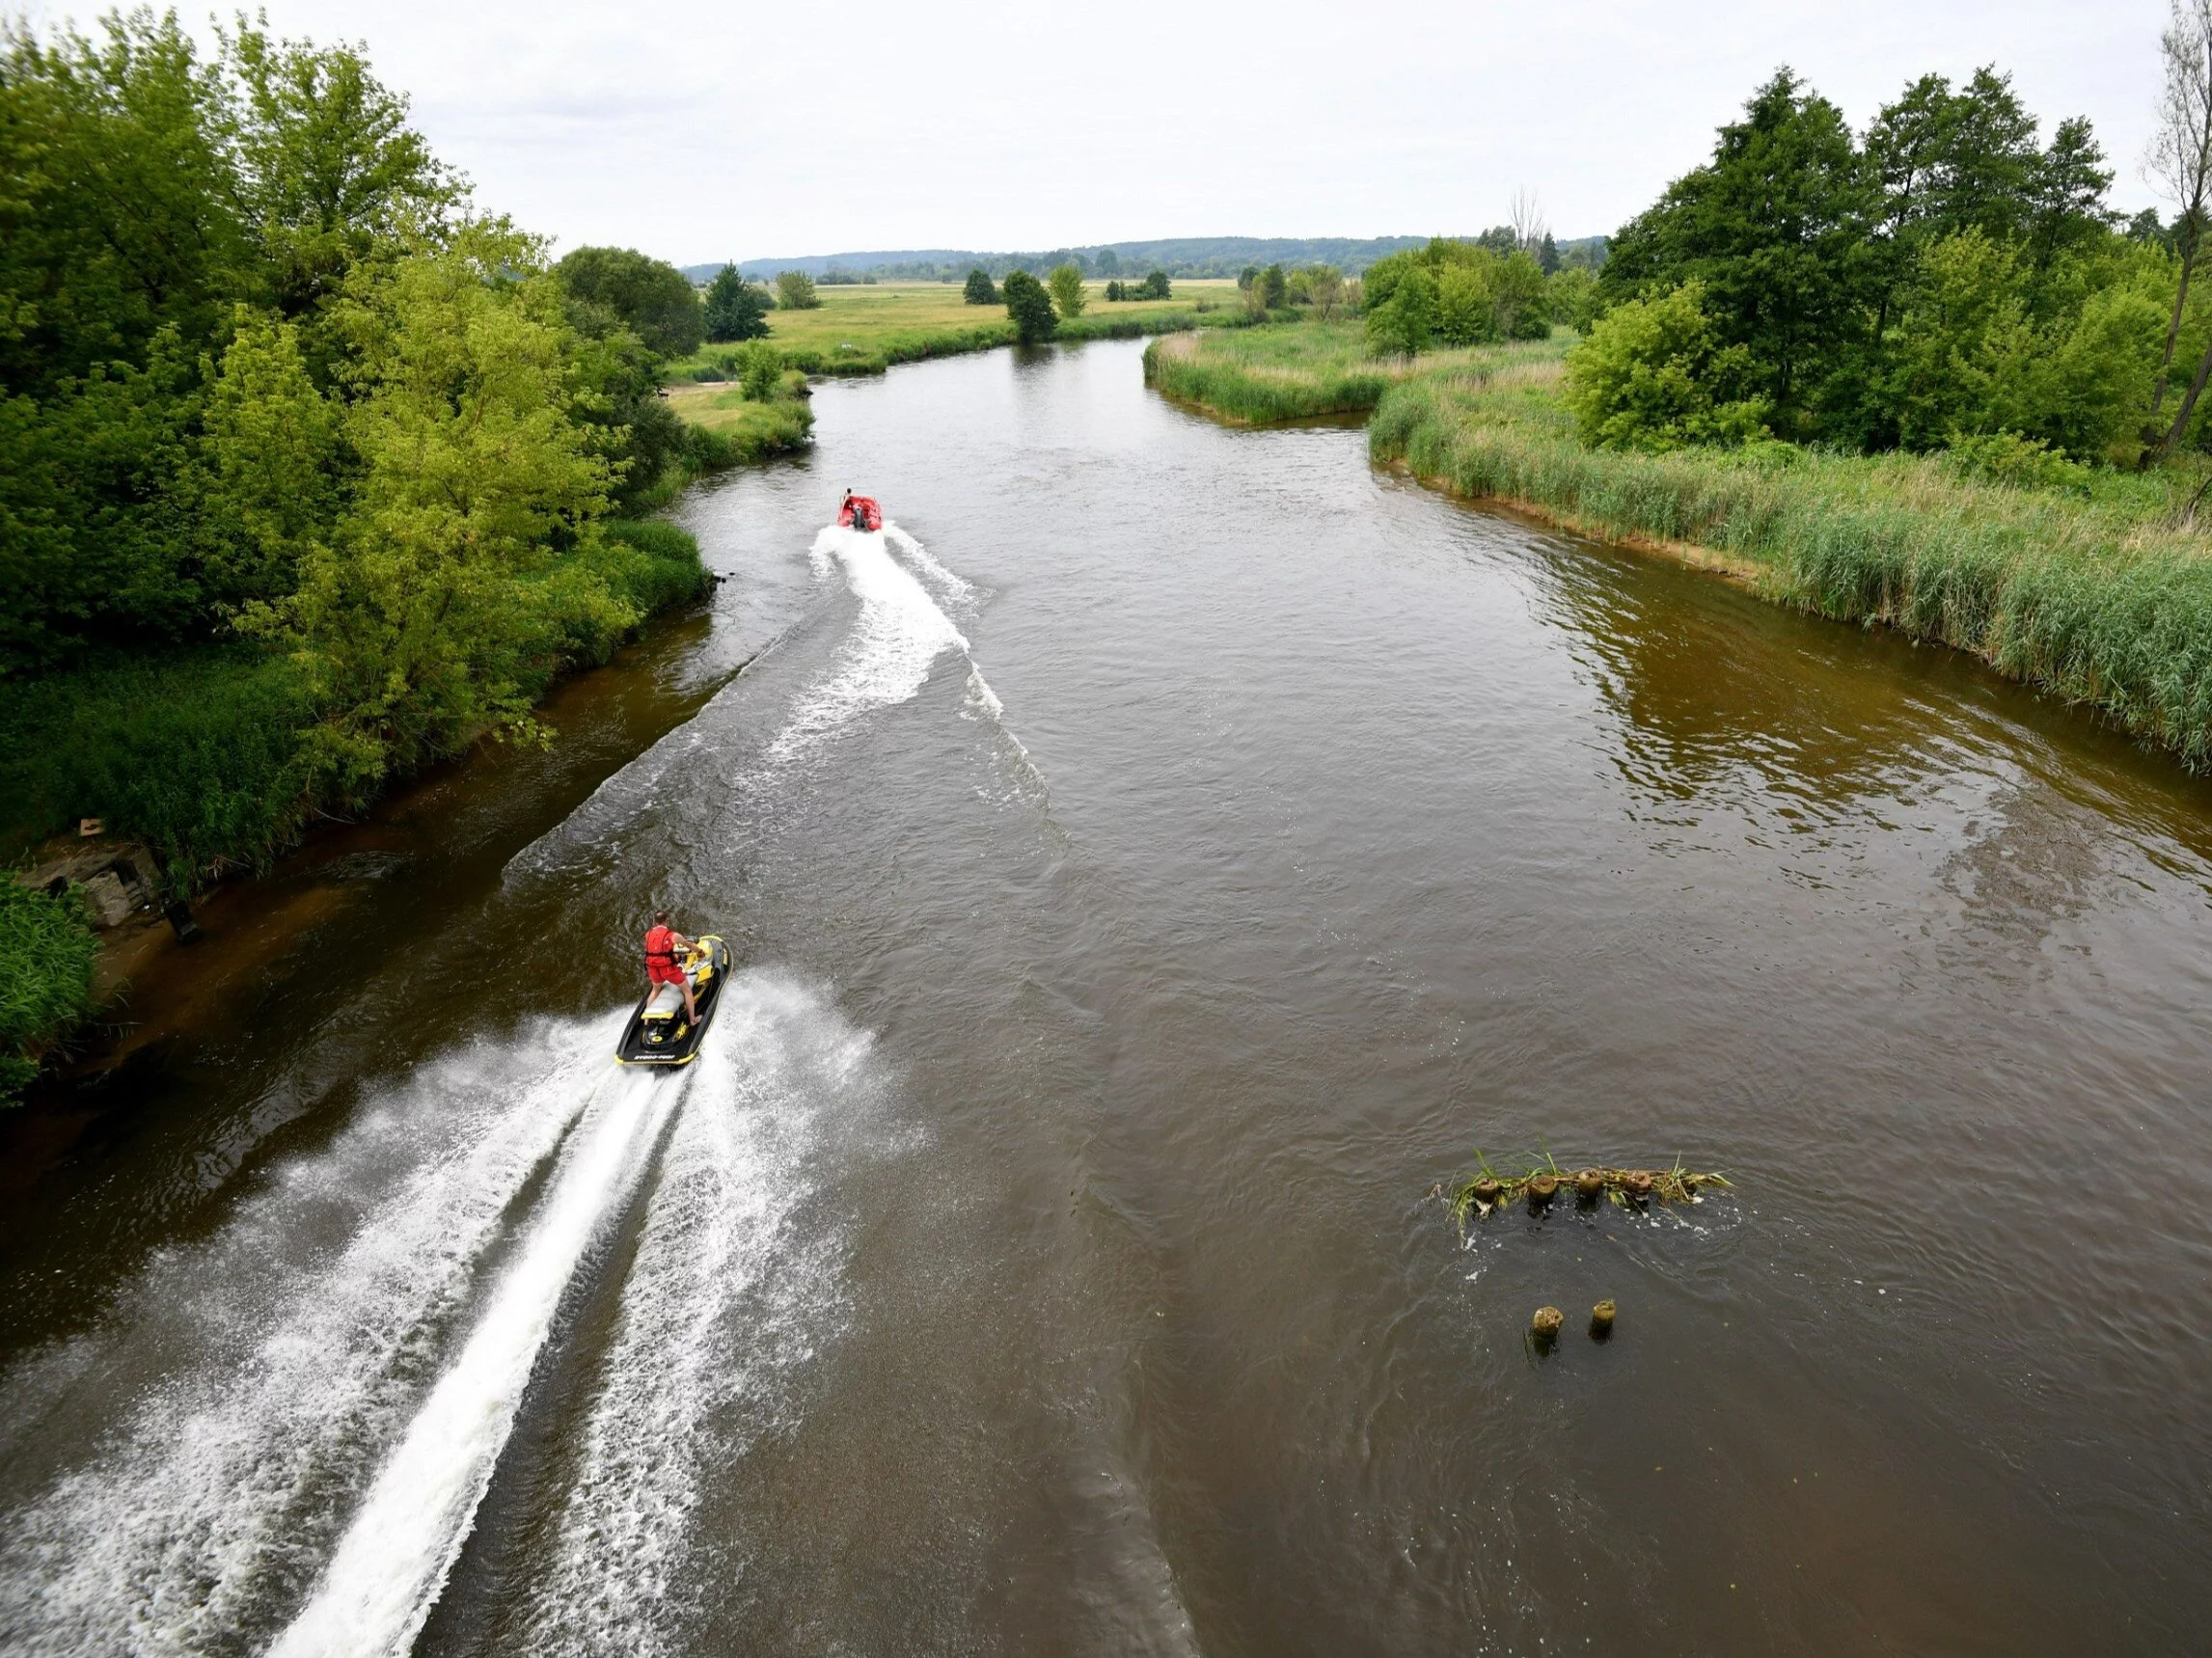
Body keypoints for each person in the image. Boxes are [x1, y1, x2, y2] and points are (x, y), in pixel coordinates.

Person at [642, 910, 697, 1022]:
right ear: (667, 921)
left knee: (655, 991)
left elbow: (656, 951)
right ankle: (693, 1019)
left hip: (653, 970)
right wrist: (699, 951)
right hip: (668, 970)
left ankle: (646, 1021)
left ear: (654, 922)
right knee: (687, 990)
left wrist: (672, 953)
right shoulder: (673, 935)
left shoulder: (648, 935)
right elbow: (689, 945)